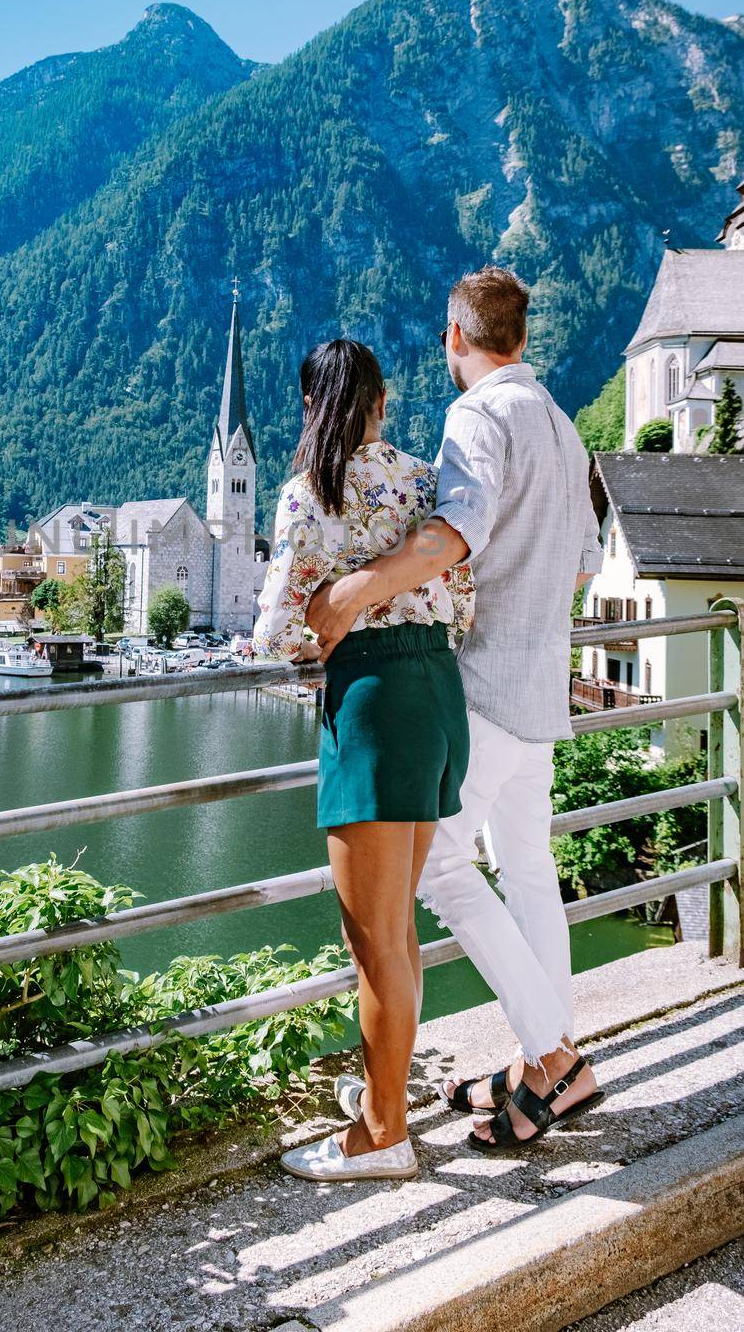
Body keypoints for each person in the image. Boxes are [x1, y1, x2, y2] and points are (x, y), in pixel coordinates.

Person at [308, 268, 606, 1152]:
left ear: (454, 338)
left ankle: (554, 1058)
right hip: (543, 686)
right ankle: (542, 1062)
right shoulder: (560, 423)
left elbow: (453, 529)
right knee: (526, 869)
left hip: (477, 689)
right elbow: (587, 564)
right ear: (520, 336)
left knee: (438, 873)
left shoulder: (479, 415)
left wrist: (352, 592)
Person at [254, 339, 473, 1181]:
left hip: (372, 700)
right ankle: (386, 1099)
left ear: (312, 407)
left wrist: (321, 611)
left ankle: (383, 1136)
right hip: (435, 689)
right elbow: (460, 588)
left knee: (372, 939)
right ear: (381, 400)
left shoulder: (310, 492)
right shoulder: (424, 482)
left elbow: (280, 626)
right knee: (399, 929)